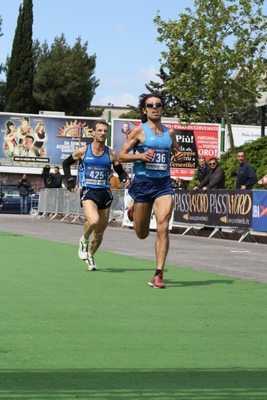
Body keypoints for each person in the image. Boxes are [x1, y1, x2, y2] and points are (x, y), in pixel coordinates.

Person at [117, 93, 184, 289]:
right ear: (144, 110)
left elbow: (176, 152)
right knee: (142, 233)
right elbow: (121, 156)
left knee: (163, 225)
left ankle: (158, 274)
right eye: (150, 105)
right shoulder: (139, 132)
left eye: (158, 105)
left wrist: (178, 155)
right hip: (143, 184)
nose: (155, 107)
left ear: (162, 109)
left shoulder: (169, 133)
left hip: (163, 184)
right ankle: (134, 210)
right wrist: (140, 156)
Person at [62, 120, 130, 270]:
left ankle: (91, 255)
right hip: (88, 192)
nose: (102, 133)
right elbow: (65, 164)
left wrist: (126, 178)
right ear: (93, 133)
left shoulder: (111, 153)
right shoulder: (82, 151)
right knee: (93, 221)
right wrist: (70, 181)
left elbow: (120, 171)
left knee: (99, 233)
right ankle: (83, 240)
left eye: (105, 131)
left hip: (105, 193)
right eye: (99, 130)